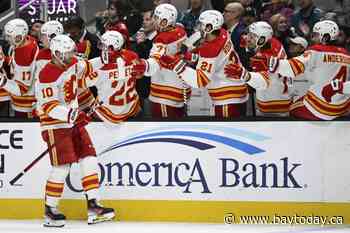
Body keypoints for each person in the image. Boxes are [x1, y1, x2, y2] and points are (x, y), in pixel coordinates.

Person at [34, 34, 115, 227]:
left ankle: (94, 206)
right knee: (62, 167)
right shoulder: (46, 75)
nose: (72, 56)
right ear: (57, 54)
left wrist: (102, 60)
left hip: (73, 120)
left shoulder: (71, 62)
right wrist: (71, 115)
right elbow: (49, 106)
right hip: (55, 124)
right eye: (69, 52)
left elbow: (85, 66)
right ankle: (50, 210)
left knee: (89, 158)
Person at [158, 10, 249, 118]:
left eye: (201, 24)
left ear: (209, 28)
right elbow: (215, 62)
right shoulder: (223, 32)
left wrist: (176, 65)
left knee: (226, 131)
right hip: (238, 90)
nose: (198, 27)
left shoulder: (211, 50)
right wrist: (190, 55)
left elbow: (200, 81)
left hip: (227, 97)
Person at [269, 20, 350, 120]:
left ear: (325, 37)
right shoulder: (346, 54)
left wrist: (277, 64)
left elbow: (294, 67)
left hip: (322, 107)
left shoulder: (316, 50)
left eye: (315, 35)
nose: (312, 38)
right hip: (343, 106)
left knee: (292, 108)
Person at [132, 3, 190, 119]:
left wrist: (144, 66)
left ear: (164, 21)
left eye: (156, 17)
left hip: (164, 94)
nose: (154, 21)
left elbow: (155, 62)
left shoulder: (162, 39)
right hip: (179, 88)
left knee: (166, 130)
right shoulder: (180, 31)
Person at [81, 31, 141, 125]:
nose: (101, 48)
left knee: (86, 117)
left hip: (109, 112)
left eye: (104, 45)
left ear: (112, 48)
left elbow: (81, 84)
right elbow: (139, 75)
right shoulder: (133, 56)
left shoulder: (101, 68)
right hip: (131, 107)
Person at [0, 18, 39, 118]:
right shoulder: (28, 40)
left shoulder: (24, 55)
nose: (7, 39)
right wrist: (6, 60)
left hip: (26, 106)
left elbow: (21, 89)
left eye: (9, 36)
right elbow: (16, 64)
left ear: (18, 37)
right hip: (26, 102)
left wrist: (2, 81)